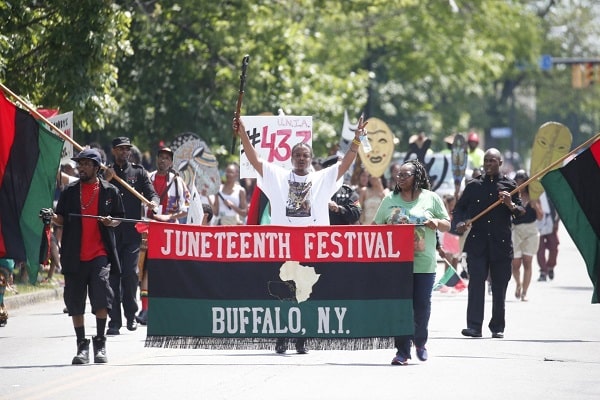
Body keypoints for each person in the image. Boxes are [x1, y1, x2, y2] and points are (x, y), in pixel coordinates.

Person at [234, 114, 367, 354]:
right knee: (284, 291)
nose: (302, 158)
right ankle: (282, 337)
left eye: (305, 155)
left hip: (311, 246)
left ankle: (302, 338)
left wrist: (356, 139)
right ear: (291, 158)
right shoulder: (278, 176)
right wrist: (242, 132)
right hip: (284, 245)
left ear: (310, 158)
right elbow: (254, 160)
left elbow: (346, 163)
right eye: (297, 155)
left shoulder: (321, 179)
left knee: (306, 293)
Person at [47, 148, 125, 364]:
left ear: (97, 168)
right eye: (79, 164)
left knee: (102, 297)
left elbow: (119, 218)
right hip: (74, 255)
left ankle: (100, 343)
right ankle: (82, 346)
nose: (81, 167)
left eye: (86, 164)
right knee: (75, 302)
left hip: (100, 254)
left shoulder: (110, 191)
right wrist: (51, 217)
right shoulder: (70, 191)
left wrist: (111, 221)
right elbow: (61, 219)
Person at [372, 159, 450, 365]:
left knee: (421, 305)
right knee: (401, 307)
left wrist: (436, 222)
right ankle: (402, 352)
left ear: (417, 177)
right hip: (397, 265)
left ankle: (420, 342)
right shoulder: (390, 199)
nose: (400, 178)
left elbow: (447, 224)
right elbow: (375, 226)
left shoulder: (431, 199)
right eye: (398, 175)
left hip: (424, 264)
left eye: (405, 175)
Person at [453, 148, 524, 339]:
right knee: (476, 283)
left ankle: (497, 326)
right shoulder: (474, 186)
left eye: (492, 160)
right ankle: (474, 326)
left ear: (500, 163)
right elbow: (459, 209)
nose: (488, 164)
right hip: (477, 243)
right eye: (486, 161)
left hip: (501, 244)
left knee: (500, 285)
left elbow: (520, 213)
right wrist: (459, 223)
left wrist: (510, 204)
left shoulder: (510, 186)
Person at [103, 137, 159, 336]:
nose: (124, 152)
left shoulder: (138, 171)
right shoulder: (104, 173)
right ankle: (114, 321)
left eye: (127, 149)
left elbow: (152, 194)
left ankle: (130, 315)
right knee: (113, 278)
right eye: (120, 149)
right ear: (114, 151)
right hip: (111, 232)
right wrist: (105, 181)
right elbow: (96, 194)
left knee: (129, 274)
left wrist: (153, 202)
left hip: (132, 233)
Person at [136, 146, 189, 325]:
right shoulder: (147, 178)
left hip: (169, 231)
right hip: (148, 228)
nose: (163, 160)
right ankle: (145, 310)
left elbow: (187, 206)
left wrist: (170, 217)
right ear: (156, 159)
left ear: (171, 162)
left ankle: (167, 310)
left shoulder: (177, 182)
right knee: (146, 269)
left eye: (167, 158)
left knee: (169, 270)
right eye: (161, 157)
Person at [511, 171, 543, 302]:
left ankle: (525, 291)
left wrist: (535, 206)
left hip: (531, 230)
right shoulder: (512, 197)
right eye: (518, 182)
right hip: (516, 230)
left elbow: (541, 217)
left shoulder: (533, 196)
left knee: (528, 262)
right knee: (515, 264)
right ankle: (518, 283)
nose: (520, 184)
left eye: (522, 181)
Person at [321, 155, 361, 225]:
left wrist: (339, 209)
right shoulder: (317, 190)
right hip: (319, 233)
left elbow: (356, 213)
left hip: (342, 234)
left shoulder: (348, 192)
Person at [537, 192, 560, 281]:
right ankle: (543, 271)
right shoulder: (534, 190)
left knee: (554, 247)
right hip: (538, 224)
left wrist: (557, 221)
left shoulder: (551, 191)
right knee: (540, 249)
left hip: (551, 222)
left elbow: (558, 207)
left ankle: (550, 266)